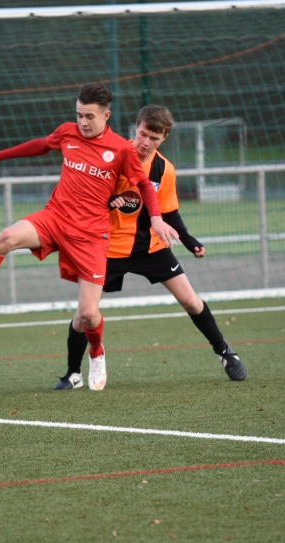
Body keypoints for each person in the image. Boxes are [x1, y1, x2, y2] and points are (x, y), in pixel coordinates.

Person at [0, 84, 179, 391]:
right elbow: (41, 145)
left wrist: (156, 218)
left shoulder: (122, 149)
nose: (83, 122)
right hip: (56, 217)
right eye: (79, 115)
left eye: (90, 116)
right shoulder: (68, 132)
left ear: (106, 116)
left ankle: (97, 352)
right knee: (6, 237)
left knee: (88, 314)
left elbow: (144, 185)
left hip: (91, 235)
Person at [52, 105, 247, 389]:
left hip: (150, 247)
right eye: (143, 134)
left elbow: (169, 212)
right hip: (106, 249)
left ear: (164, 138)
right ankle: (73, 373)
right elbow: (84, 198)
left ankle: (226, 353)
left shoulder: (164, 169)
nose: (145, 142)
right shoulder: (111, 155)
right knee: (84, 315)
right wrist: (107, 202)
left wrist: (189, 240)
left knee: (192, 301)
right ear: (136, 127)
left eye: (154, 138)